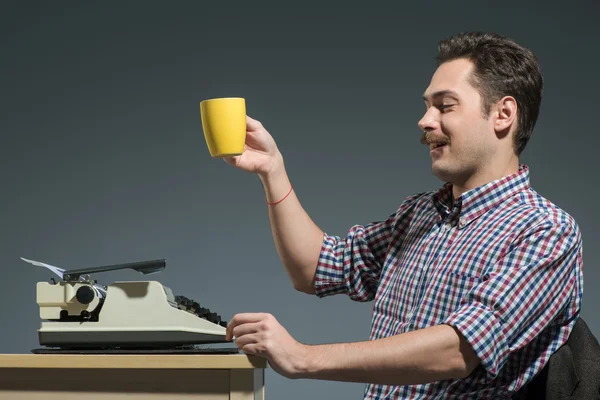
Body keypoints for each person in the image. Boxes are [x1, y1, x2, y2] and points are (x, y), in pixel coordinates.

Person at [222, 31, 584, 398]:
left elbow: (459, 349)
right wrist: (273, 170)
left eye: (445, 106)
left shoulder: (546, 231)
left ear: (503, 114)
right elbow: (315, 269)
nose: (424, 121)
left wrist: (302, 358)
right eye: (427, 106)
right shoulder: (418, 215)